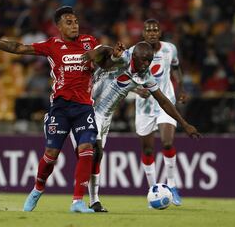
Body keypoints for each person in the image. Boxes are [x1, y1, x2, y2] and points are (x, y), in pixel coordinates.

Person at [0, 6, 113, 213]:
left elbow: (107, 59)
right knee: (51, 154)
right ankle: (37, 189)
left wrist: (105, 52)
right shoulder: (52, 45)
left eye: (75, 21)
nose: (74, 25)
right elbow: (19, 48)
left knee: (87, 150)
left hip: (84, 107)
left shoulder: (89, 42)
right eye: (68, 22)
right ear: (58, 27)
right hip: (60, 108)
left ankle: (77, 202)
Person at [82, 41, 200, 210]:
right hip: (90, 107)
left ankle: (93, 200)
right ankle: (82, 199)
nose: (147, 64)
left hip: (106, 117)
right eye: (143, 60)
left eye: (150, 60)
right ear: (134, 56)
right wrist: (94, 53)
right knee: (96, 152)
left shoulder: (146, 76)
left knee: (97, 157)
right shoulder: (124, 57)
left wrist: (185, 124)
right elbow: (106, 50)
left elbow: (164, 102)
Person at [129, 19, 188, 206]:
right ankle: (153, 188)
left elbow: (177, 68)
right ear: (144, 33)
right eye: (149, 30)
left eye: (155, 30)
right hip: (144, 108)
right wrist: (137, 90)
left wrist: (182, 88)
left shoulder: (170, 49)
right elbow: (121, 77)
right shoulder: (133, 52)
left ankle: (172, 185)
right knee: (147, 149)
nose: (152, 33)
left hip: (166, 104)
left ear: (160, 33)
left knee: (167, 143)